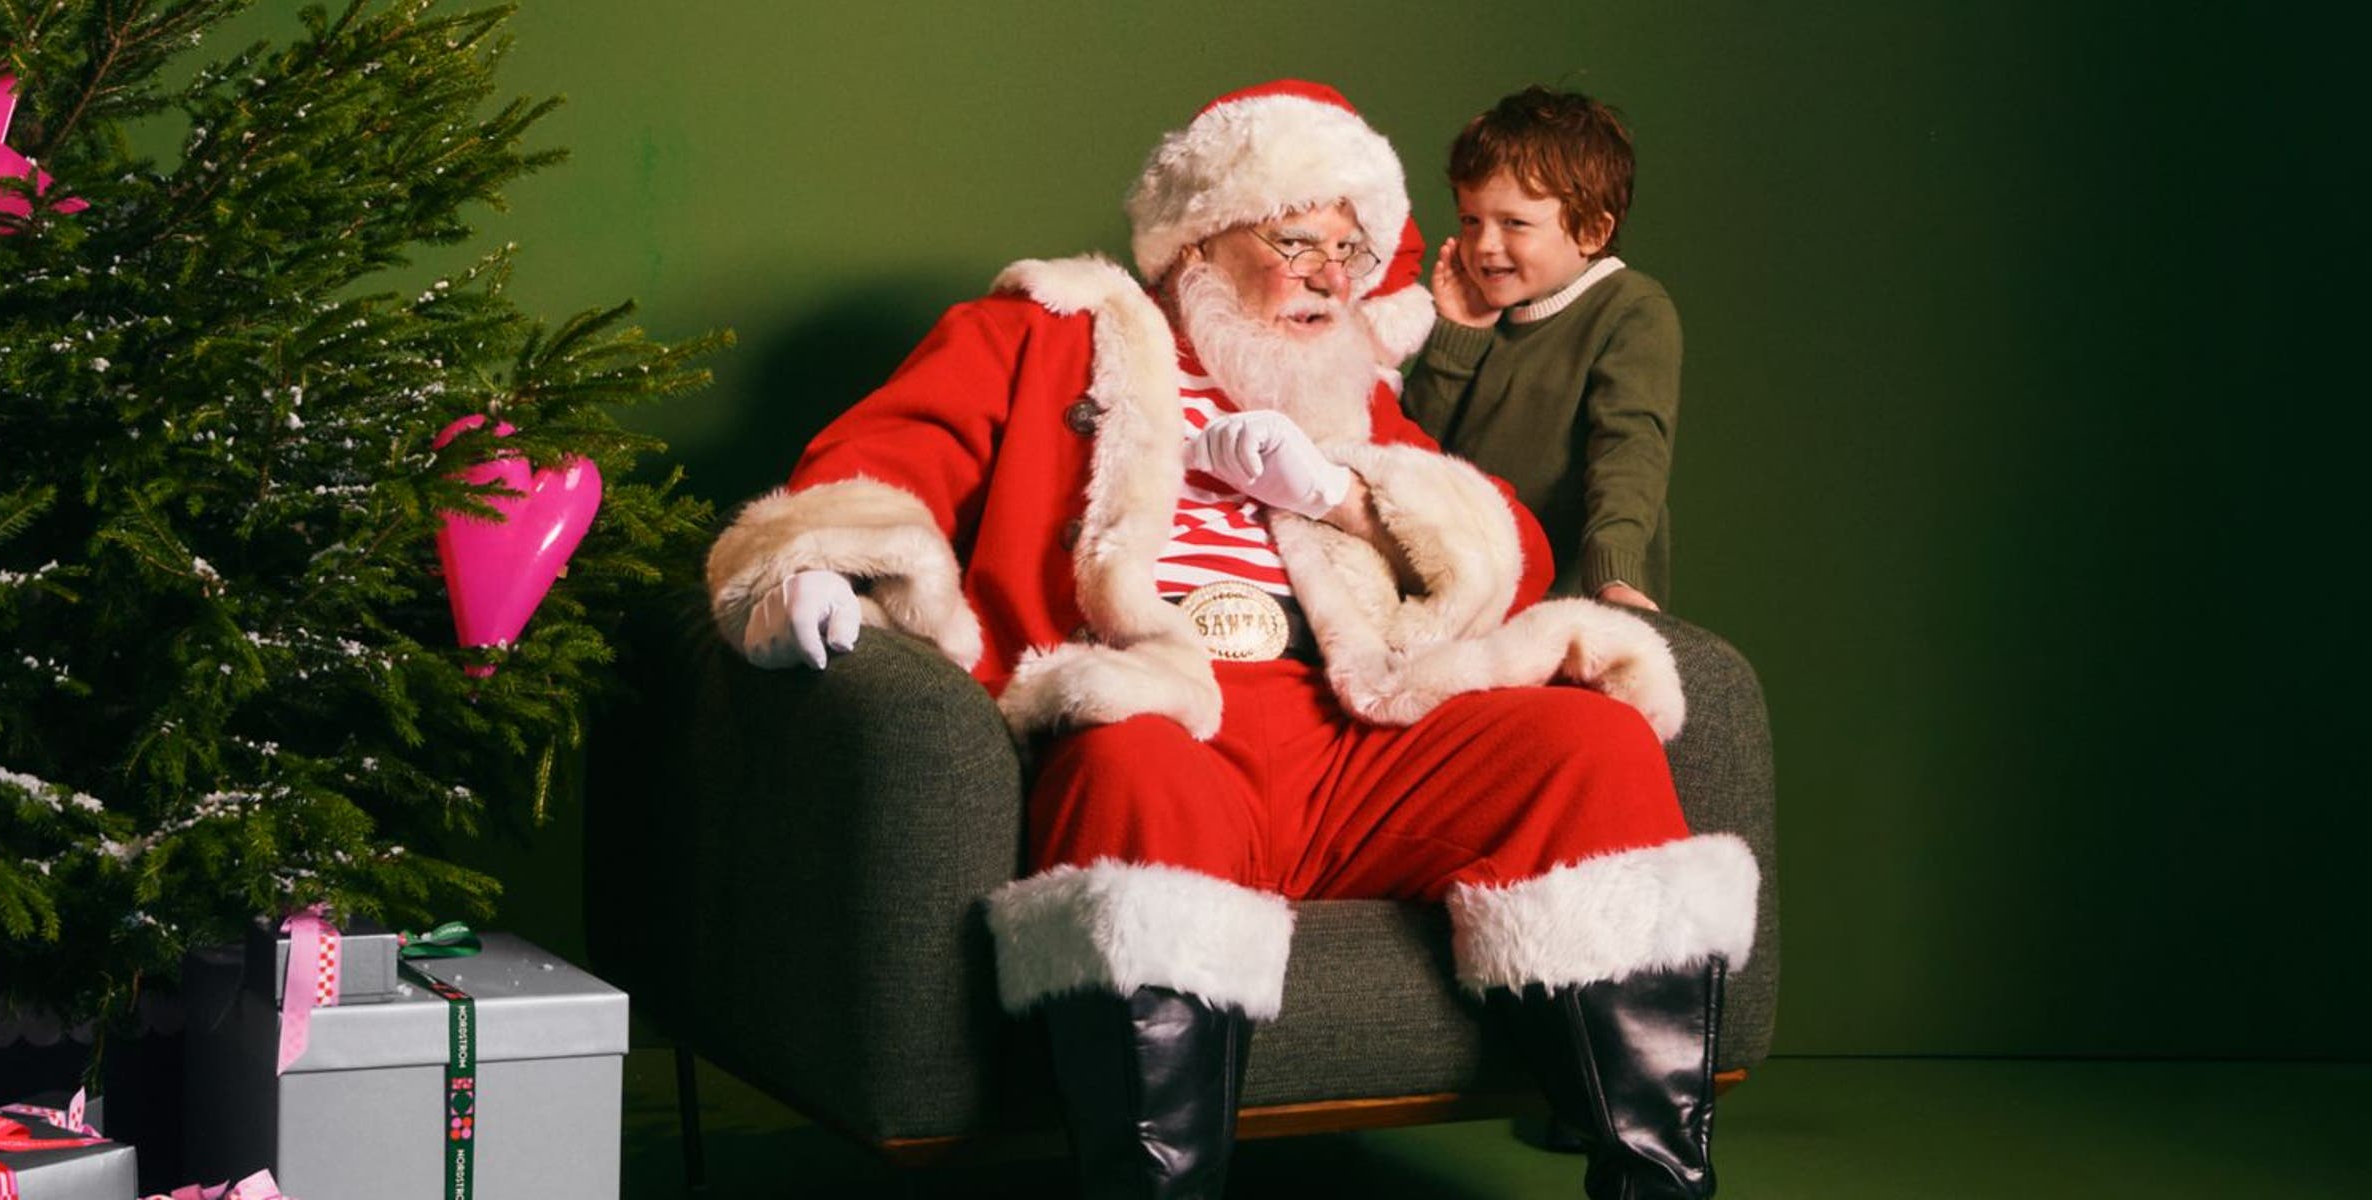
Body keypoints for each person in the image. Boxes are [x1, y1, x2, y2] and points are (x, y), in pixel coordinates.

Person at [704, 80, 1758, 1200]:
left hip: (1349, 732)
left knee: (1587, 747)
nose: (1329, 275)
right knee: (1135, 771)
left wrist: (1344, 496)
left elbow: (1509, 553)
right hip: (1168, 719)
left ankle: (1654, 1184)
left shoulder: (1341, 391)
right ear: (1198, 241)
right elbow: (887, 458)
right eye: (1296, 241)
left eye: (1349, 250)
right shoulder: (1046, 333)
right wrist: (810, 562)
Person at [1409, 86, 1684, 611]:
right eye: (1470, 220)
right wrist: (1457, 336)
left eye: (1514, 223)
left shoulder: (1629, 308)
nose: (1485, 245)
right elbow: (1410, 453)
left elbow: (1629, 453)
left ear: (1591, 230)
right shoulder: (1476, 314)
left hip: (1574, 604)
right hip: (1466, 601)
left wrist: (1615, 577)